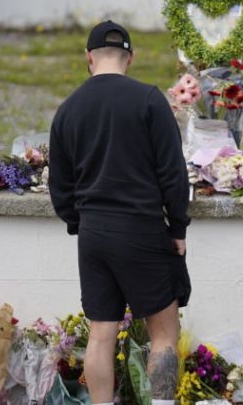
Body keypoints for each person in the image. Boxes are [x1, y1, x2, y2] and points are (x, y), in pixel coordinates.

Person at [48, 21, 191, 405]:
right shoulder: (148, 99)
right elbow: (173, 173)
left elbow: (60, 189)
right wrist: (177, 226)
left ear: (89, 57)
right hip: (141, 229)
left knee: (100, 334)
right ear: (131, 57)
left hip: (93, 233)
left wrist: (80, 222)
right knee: (163, 334)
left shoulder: (68, 109)